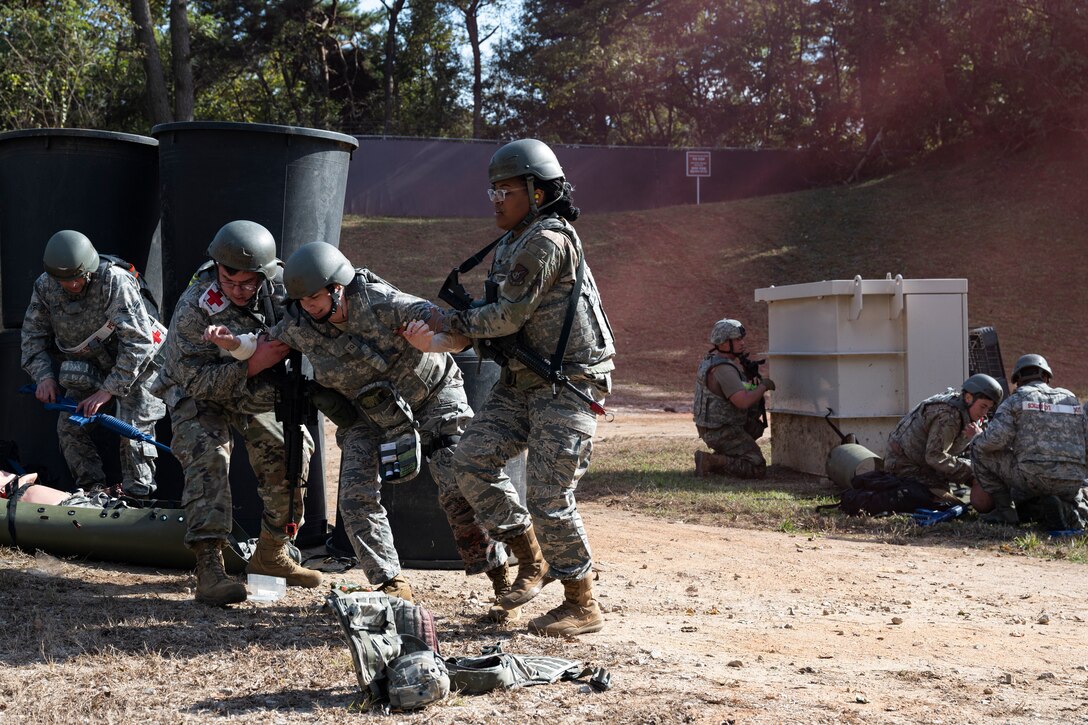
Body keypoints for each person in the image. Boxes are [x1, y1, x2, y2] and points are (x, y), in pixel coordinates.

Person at [210, 241, 516, 617]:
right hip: (367, 413)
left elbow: (453, 327)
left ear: (337, 288)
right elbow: (261, 346)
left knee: (457, 483)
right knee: (355, 498)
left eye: (314, 297)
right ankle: (391, 584)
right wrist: (232, 347)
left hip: (431, 396)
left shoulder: (382, 302)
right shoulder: (298, 323)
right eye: (301, 300)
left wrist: (432, 341)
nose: (308, 306)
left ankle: (502, 581)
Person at [403, 138, 616, 637]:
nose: (496, 200)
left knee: (548, 493)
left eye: (506, 191)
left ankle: (582, 603)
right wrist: (446, 335)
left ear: (538, 193)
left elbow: (505, 316)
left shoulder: (546, 241)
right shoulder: (512, 243)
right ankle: (531, 557)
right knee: (470, 460)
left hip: (568, 383)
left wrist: (447, 323)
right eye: (492, 191)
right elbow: (492, 318)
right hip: (521, 382)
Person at [153, 220, 322, 606]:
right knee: (209, 457)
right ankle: (209, 567)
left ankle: (271, 553)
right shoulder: (195, 307)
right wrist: (253, 363)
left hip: (254, 389)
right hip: (198, 392)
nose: (239, 290)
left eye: (248, 283)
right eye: (230, 281)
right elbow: (194, 380)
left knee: (292, 450)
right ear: (217, 268)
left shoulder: (283, 290)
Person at [21, 230, 167, 498]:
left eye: (78, 277)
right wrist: (44, 377)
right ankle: (92, 493)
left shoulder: (113, 280)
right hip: (91, 367)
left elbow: (139, 342)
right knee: (69, 427)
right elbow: (33, 337)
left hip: (136, 366)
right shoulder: (45, 286)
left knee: (134, 429)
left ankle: (138, 497)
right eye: (65, 280)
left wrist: (108, 390)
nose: (73, 285)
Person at [971, 354, 1088, 531]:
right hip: (1072, 480)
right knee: (1063, 495)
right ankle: (1067, 511)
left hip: (1033, 479)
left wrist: (977, 436)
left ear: (1018, 380)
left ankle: (1005, 512)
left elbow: (993, 441)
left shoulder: (1016, 400)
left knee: (978, 447)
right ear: (1046, 377)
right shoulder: (1071, 399)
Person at [883, 374, 1003, 496]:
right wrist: (970, 469)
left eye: (988, 408)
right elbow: (934, 456)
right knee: (946, 500)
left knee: (980, 474)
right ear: (968, 398)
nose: (984, 413)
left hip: (925, 465)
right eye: (983, 406)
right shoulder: (949, 417)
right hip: (905, 467)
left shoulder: (968, 414)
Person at [692, 318, 774, 479]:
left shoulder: (710, 361)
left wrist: (748, 378)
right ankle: (712, 461)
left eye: (741, 339)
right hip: (722, 430)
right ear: (723, 343)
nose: (742, 343)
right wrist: (764, 386)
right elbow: (742, 402)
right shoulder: (724, 369)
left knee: (754, 428)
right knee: (756, 467)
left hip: (712, 427)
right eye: (737, 339)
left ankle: (720, 458)